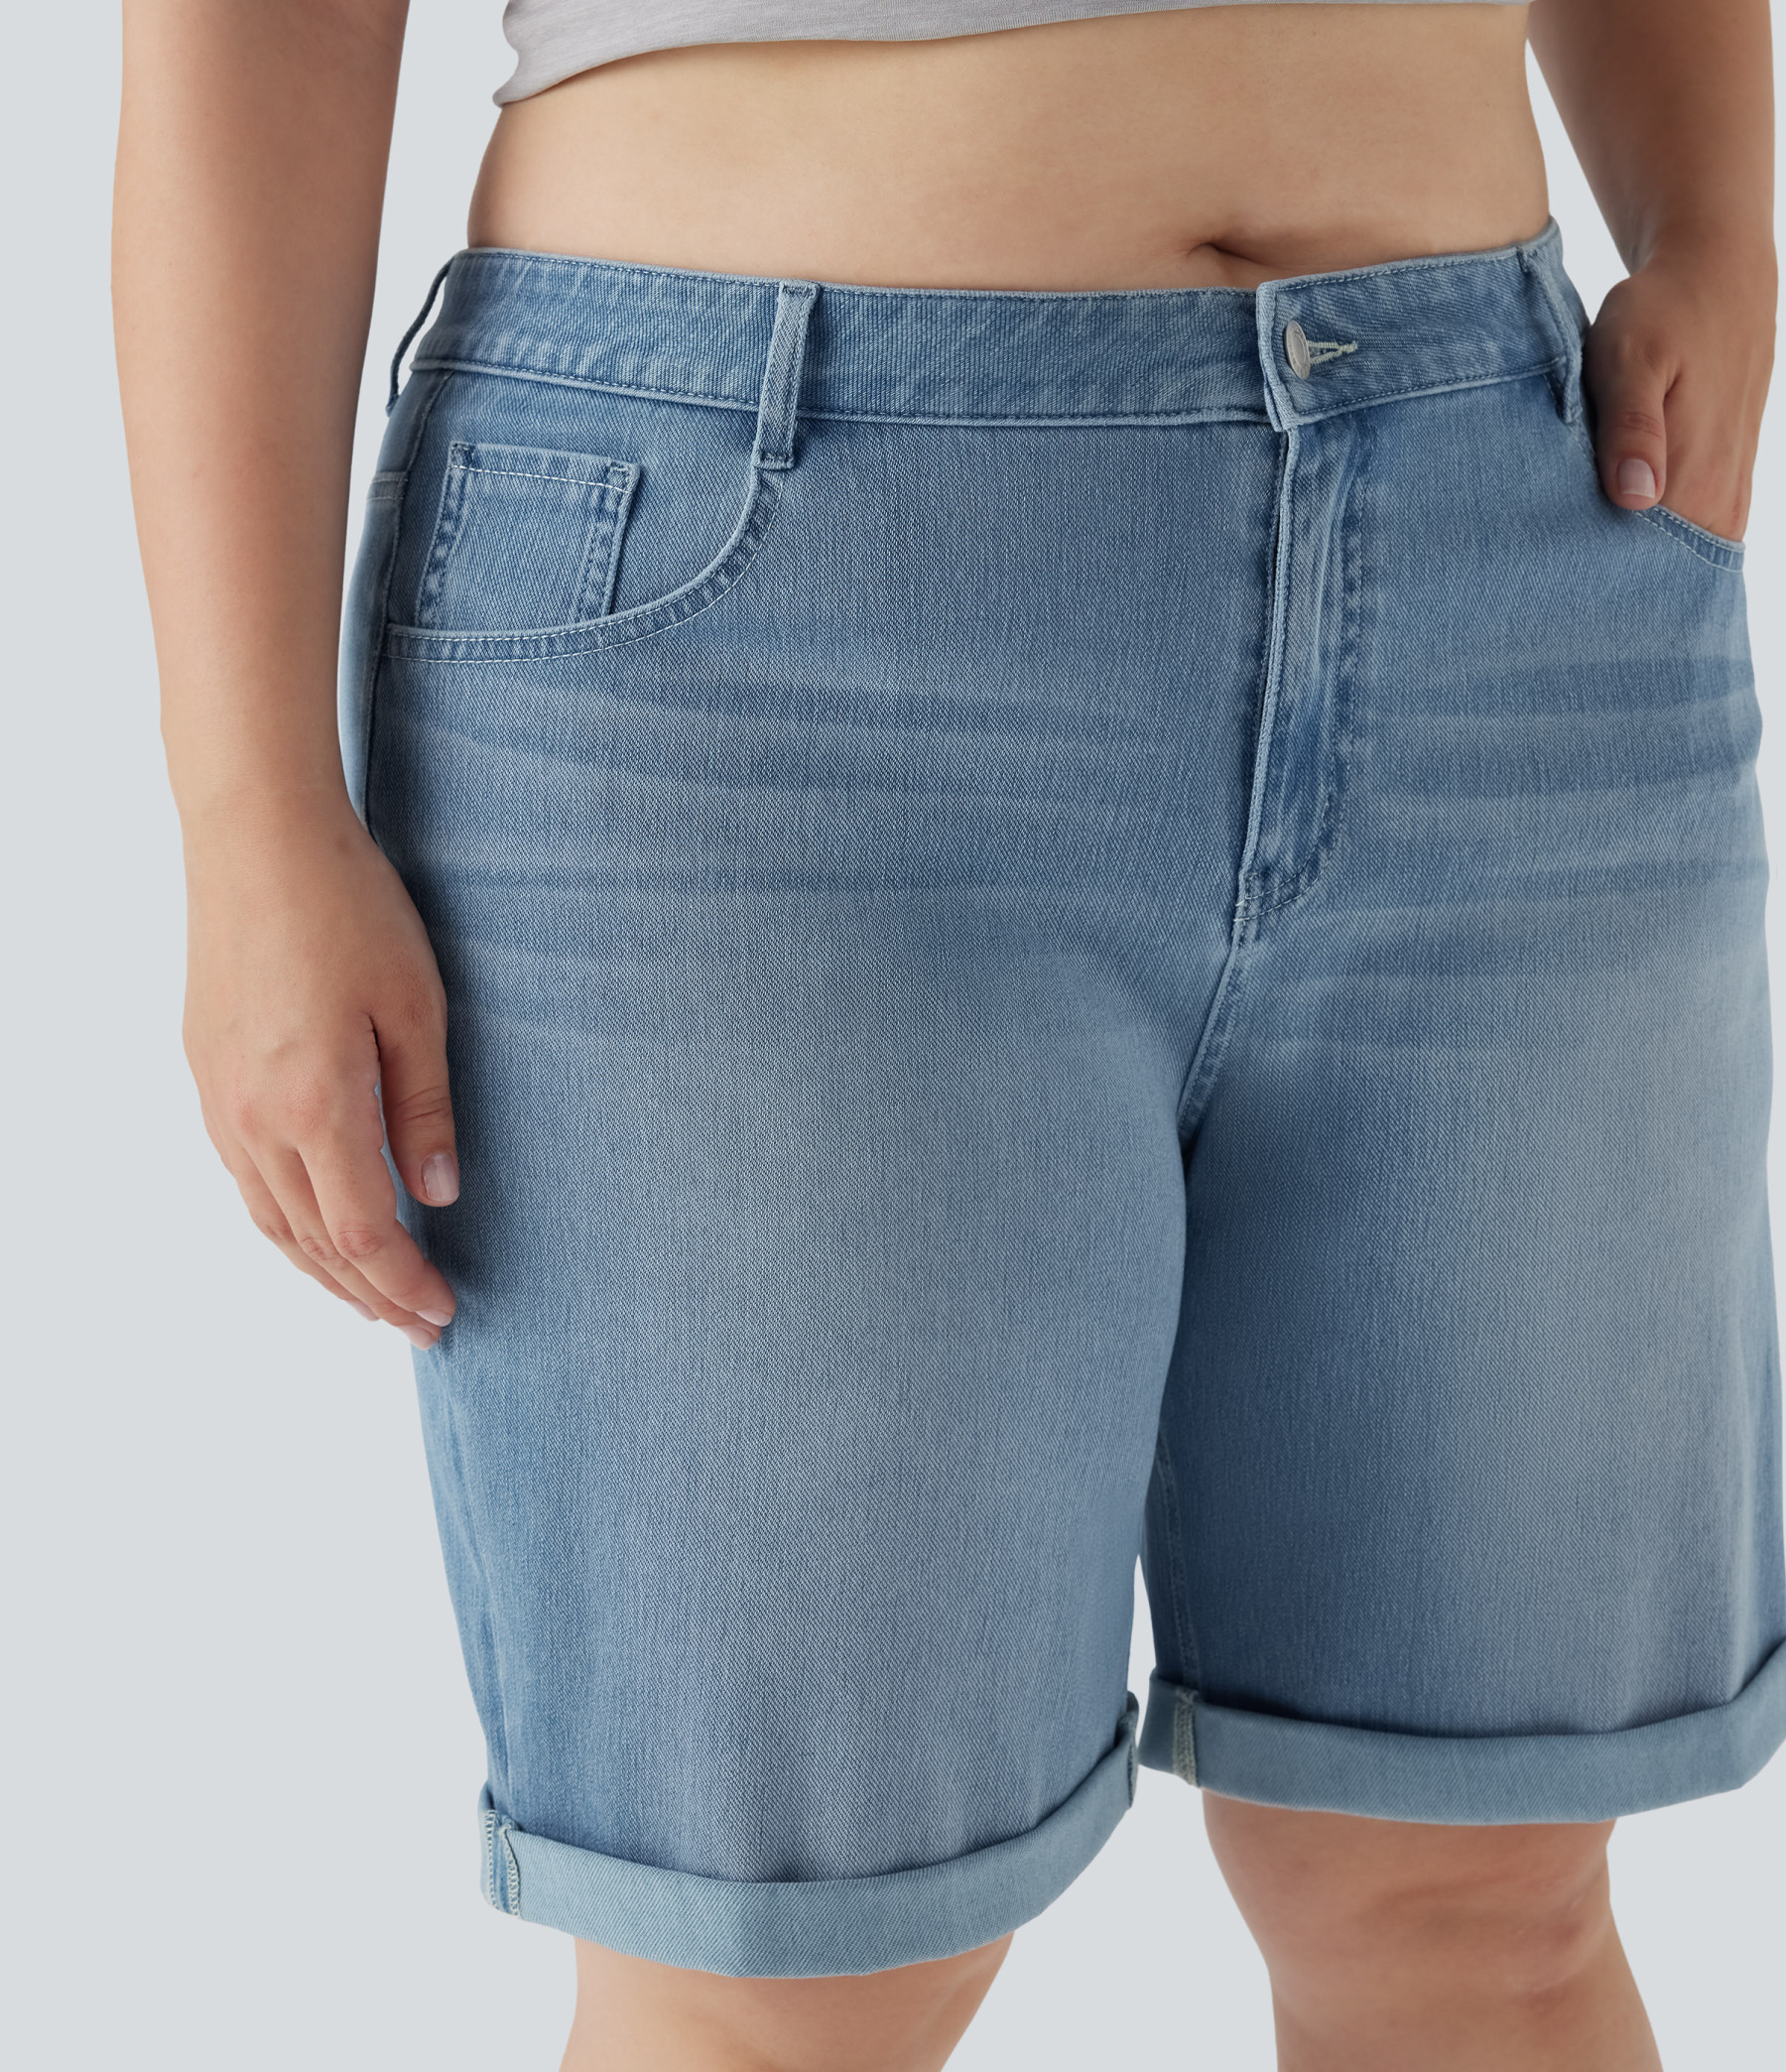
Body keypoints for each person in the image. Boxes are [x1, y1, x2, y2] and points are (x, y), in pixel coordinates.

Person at [114, 3, 1782, 2067]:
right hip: (759, 608)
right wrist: (247, 808)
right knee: (783, 1987)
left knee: (1479, 1894)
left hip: (1505, 527)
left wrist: (1717, 220)